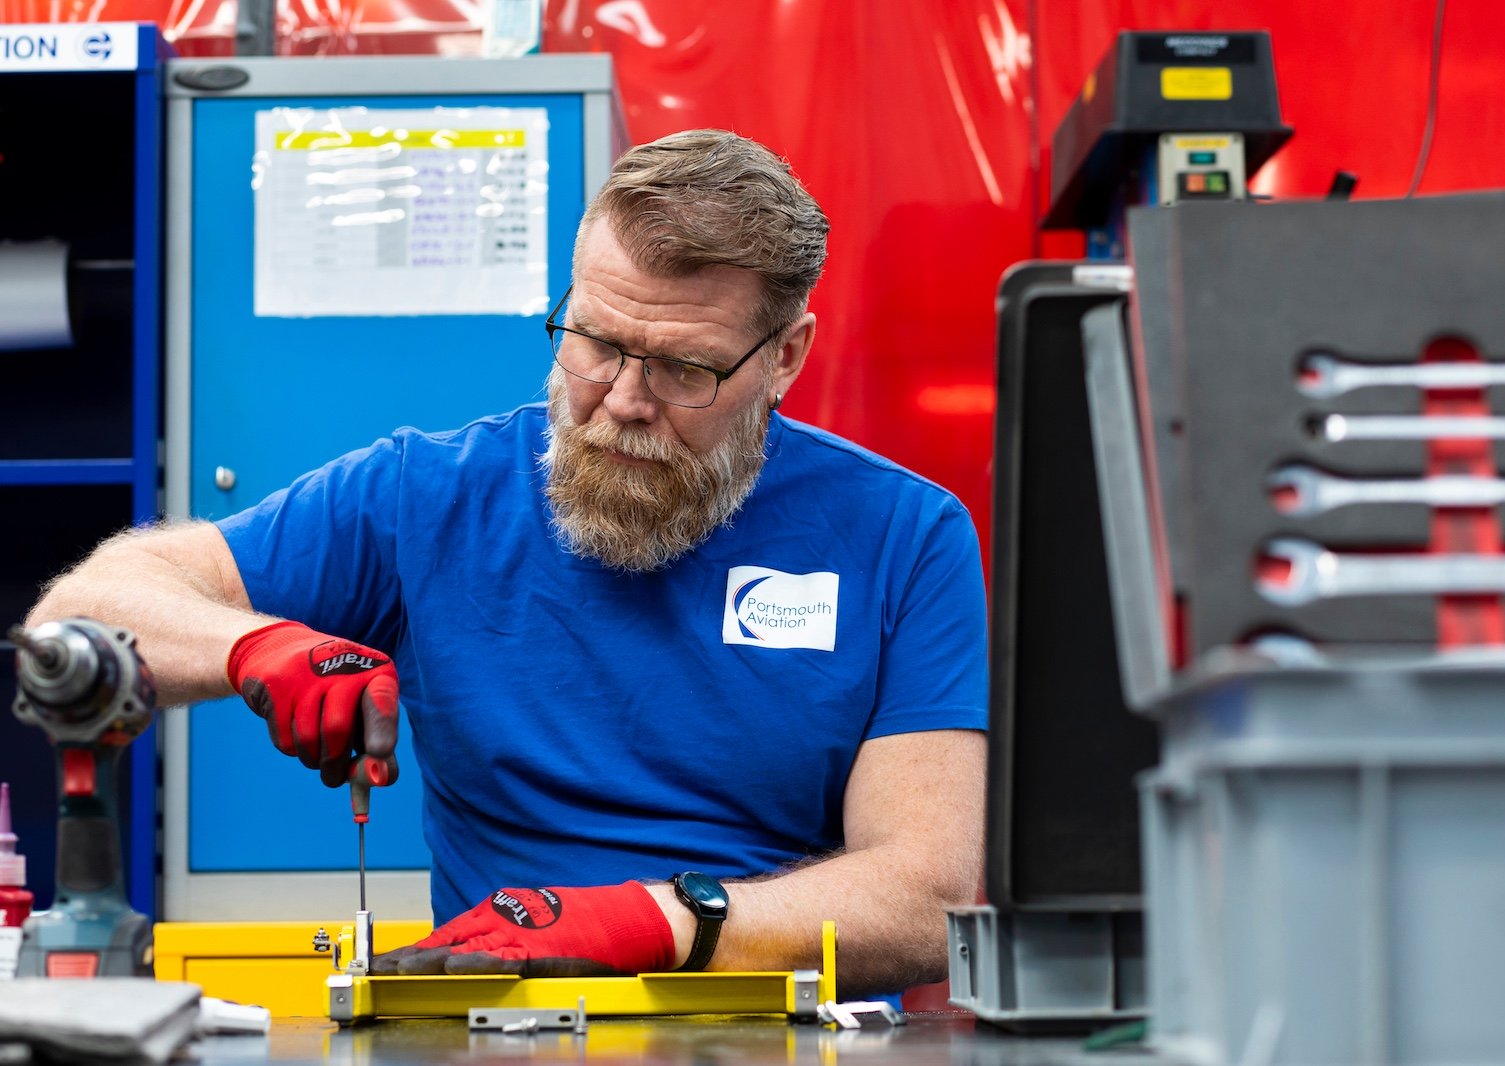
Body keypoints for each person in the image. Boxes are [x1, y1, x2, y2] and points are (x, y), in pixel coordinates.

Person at [26, 129, 987, 998]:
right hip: (503, 1033)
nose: (622, 399)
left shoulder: (903, 537)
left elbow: (928, 900)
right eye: (594, 342)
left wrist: (658, 922)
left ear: (784, 359)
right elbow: (79, 616)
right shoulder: (428, 496)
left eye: (684, 369)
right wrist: (257, 647)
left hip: (789, 1034)